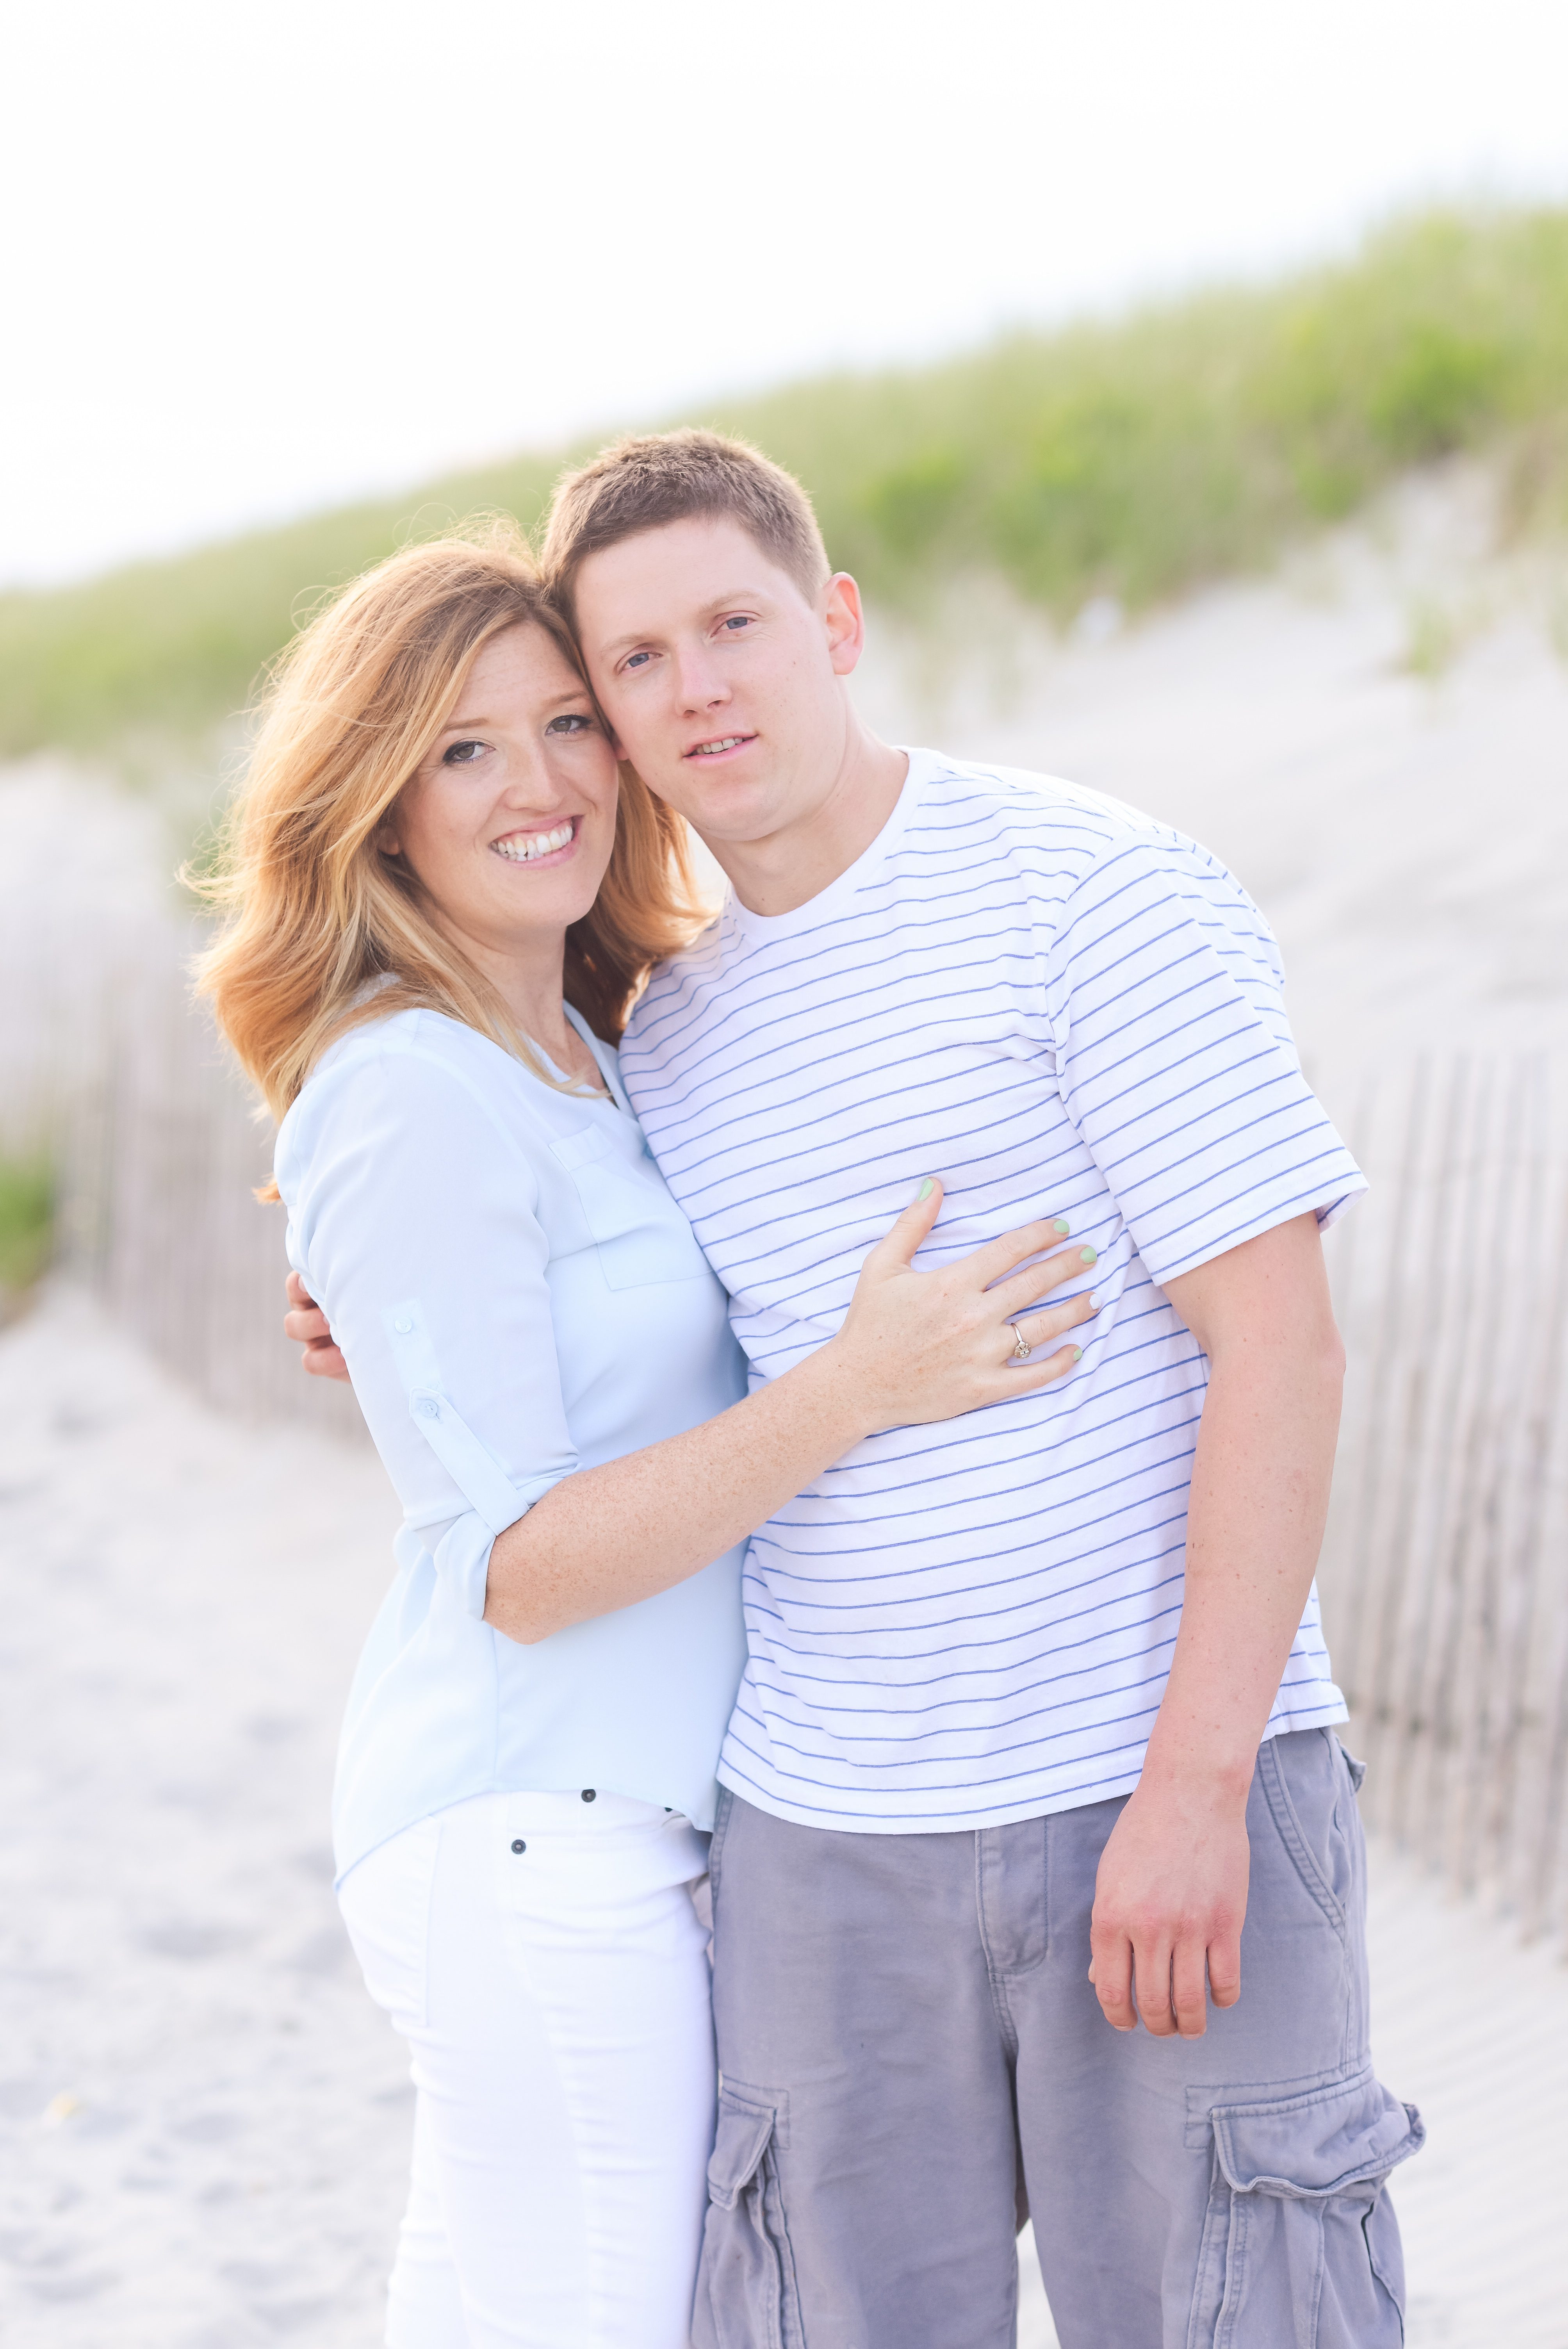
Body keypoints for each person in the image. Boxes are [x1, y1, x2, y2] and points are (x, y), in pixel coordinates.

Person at [288, 433, 1424, 2347]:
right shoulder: (665, 1025)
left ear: (833, 621)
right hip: (813, 1849)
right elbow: (552, 1296)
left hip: (1128, 1788)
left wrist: (1196, 1785)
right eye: (631, 665)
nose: (690, 689)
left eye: (730, 625)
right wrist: (350, 1289)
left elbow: (1282, 1343)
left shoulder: (1092, 894)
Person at [198, 526, 1093, 2349]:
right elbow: (519, 1569)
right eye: (459, 749)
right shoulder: (406, 1082)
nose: (535, 786)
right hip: (537, 1832)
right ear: (377, 807)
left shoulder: (579, 1054)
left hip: (593, 1833)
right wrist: (854, 1385)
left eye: (561, 723)